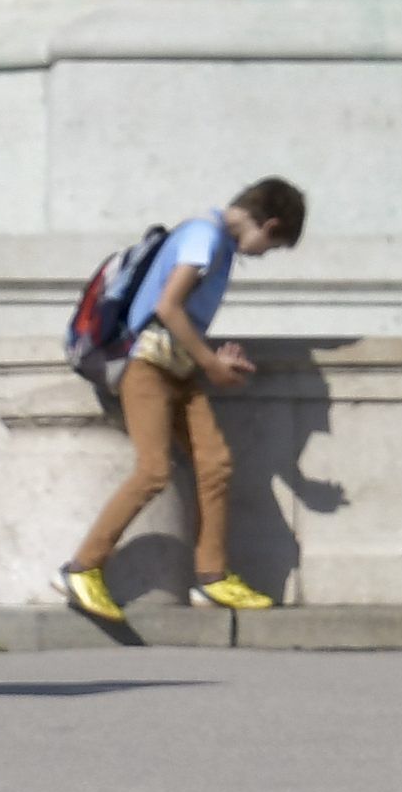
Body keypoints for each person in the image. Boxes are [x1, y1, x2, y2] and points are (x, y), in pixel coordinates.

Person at [54, 177, 307, 624]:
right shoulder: (204, 236)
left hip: (178, 366)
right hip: (146, 365)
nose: (264, 254)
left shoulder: (217, 243)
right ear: (268, 223)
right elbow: (169, 307)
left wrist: (211, 357)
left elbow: (182, 315)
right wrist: (211, 363)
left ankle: (211, 579)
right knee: (153, 470)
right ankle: (82, 568)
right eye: (272, 244)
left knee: (215, 463)